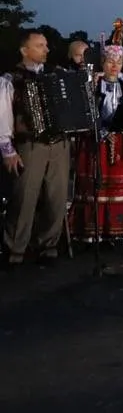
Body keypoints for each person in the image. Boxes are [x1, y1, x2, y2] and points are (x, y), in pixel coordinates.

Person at [2, 31, 71, 265]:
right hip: (30, 144)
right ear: (24, 50)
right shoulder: (11, 79)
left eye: (46, 45)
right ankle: (15, 248)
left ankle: (48, 245)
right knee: (24, 198)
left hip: (58, 143)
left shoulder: (56, 76)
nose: (46, 49)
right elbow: (3, 117)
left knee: (57, 196)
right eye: (40, 45)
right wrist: (7, 149)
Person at [72, 41, 123, 244]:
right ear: (103, 61)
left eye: (119, 61)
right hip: (96, 141)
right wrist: (102, 130)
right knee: (96, 184)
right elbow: (85, 112)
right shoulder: (93, 83)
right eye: (110, 61)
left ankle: (118, 231)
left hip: (121, 142)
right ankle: (92, 232)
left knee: (117, 187)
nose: (114, 65)